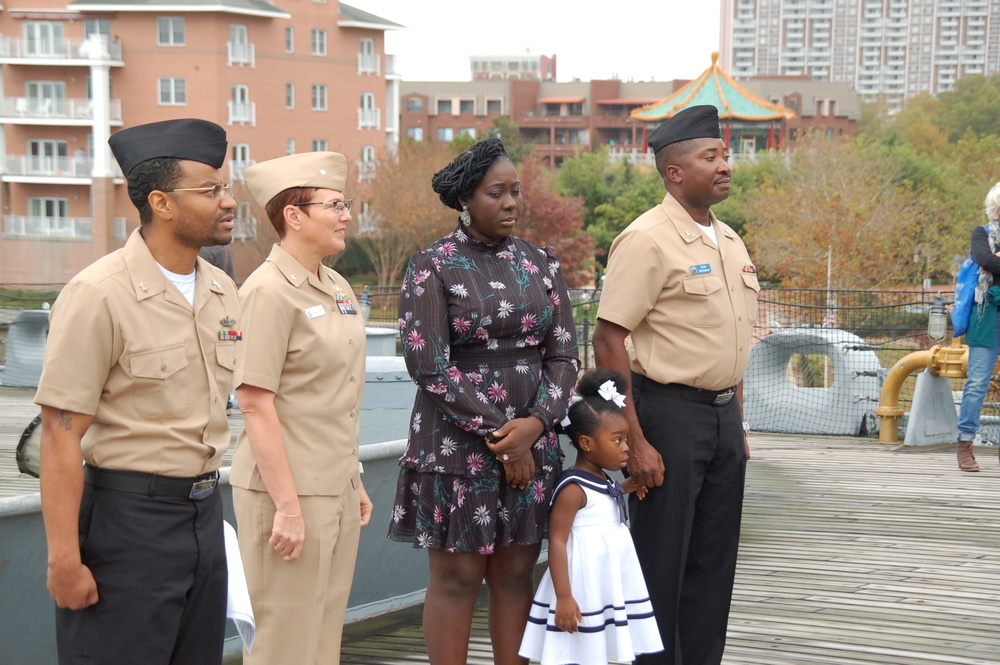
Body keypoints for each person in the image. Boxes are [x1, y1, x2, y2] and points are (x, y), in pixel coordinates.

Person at [34, 118, 240, 665]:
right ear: (162, 203)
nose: (229, 200)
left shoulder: (222, 291)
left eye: (225, 186)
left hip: (204, 515)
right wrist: (63, 559)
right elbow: (60, 437)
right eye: (210, 190)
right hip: (127, 526)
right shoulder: (99, 294)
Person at [388, 137, 579, 665]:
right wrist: (506, 436)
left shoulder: (543, 263)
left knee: (517, 572)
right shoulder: (431, 266)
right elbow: (428, 364)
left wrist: (536, 425)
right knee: (458, 577)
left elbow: (564, 356)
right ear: (466, 200)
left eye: (516, 191)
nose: (512, 203)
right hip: (455, 451)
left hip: (532, 445)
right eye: (497, 192)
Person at [592, 105, 759, 665]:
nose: (724, 166)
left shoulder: (728, 239)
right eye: (709, 157)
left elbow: (731, 340)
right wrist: (632, 438)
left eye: (725, 155)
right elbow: (609, 339)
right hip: (668, 417)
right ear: (674, 171)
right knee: (661, 561)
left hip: (722, 419)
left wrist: (736, 424)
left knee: (714, 562)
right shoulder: (647, 239)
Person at [230, 151, 373, 665]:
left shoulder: (335, 287)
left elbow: (334, 397)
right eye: (335, 205)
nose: (346, 215)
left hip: (331, 487)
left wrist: (351, 477)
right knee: (282, 642)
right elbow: (253, 402)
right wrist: (288, 506)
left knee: (322, 636)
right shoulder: (267, 291)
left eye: (345, 204)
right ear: (293, 215)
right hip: (285, 495)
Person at [519, 369, 663, 665]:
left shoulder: (601, 478)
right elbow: (557, 542)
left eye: (625, 439)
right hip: (581, 582)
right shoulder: (573, 487)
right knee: (577, 647)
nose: (626, 447)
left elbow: (602, 501)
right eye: (617, 440)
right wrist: (564, 597)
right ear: (586, 443)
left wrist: (625, 488)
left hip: (603, 575)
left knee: (597, 646)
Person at [955, 181, 1000, 472]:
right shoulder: (981, 233)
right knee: (977, 383)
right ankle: (965, 444)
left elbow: (990, 264)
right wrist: (991, 260)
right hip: (987, 319)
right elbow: (982, 258)